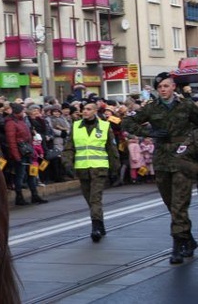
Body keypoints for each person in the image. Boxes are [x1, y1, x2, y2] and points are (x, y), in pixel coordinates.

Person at [122, 72, 198, 263]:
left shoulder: (187, 106)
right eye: (160, 87)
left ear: (173, 87)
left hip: (183, 159)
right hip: (162, 159)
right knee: (170, 202)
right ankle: (187, 238)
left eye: (166, 86)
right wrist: (150, 131)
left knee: (179, 204)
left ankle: (177, 245)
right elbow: (127, 122)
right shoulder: (151, 108)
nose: (163, 90)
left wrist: (192, 144)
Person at [63, 102, 120, 242]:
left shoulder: (105, 126)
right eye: (84, 109)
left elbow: (112, 149)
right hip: (83, 169)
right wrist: (67, 163)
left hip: (99, 168)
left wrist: (115, 168)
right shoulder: (76, 126)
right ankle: (100, 223)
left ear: (95, 111)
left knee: (95, 198)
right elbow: (69, 147)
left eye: (88, 109)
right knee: (89, 199)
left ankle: (95, 228)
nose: (85, 111)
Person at [6, 103, 48, 206]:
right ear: (17, 112)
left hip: (27, 151)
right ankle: (19, 197)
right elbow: (12, 142)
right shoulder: (11, 123)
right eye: (22, 111)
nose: (24, 112)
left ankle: (34, 195)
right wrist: (16, 156)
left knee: (32, 174)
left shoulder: (20, 121)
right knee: (20, 175)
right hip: (21, 153)